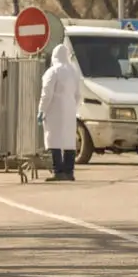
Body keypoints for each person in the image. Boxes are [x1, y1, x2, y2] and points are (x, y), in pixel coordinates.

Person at [37, 44, 81, 182]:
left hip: (54, 110)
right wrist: (74, 106)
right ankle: (69, 171)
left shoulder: (53, 71)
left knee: (53, 139)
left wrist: (41, 110)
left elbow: (46, 94)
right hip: (70, 109)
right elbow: (79, 94)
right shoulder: (74, 72)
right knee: (69, 141)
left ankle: (58, 171)